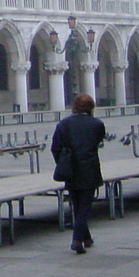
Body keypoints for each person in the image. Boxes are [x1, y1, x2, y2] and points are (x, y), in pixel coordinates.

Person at [50, 94, 106, 254]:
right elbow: (98, 141)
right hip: (89, 169)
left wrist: (62, 163)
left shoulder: (64, 124)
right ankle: (77, 240)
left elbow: (55, 148)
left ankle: (86, 238)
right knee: (85, 206)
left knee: (77, 204)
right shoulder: (97, 124)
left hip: (71, 170)